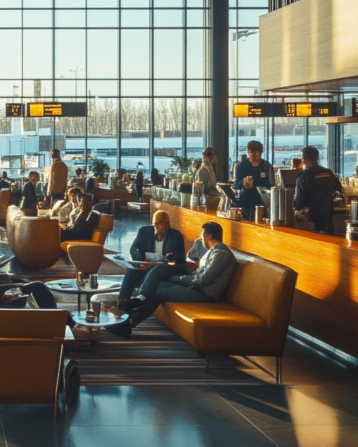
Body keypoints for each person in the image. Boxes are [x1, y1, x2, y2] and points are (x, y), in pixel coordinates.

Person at [107, 221, 237, 339]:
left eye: (202, 235)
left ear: (209, 236)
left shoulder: (221, 254)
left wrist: (178, 278)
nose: (201, 238)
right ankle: (136, 304)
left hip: (204, 293)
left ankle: (129, 323)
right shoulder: (214, 251)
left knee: (160, 294)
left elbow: (202, 280)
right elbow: (199, 273)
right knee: (158, 283)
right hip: (196, 287)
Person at [0, 229, 89, 336]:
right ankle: (63, 325)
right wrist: (3, 299)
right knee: (38, 287)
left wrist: (13, 287)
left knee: (34, 286)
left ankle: (60, 323)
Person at [117, 210, 187, 305]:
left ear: (169, 224)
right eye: (159, 223)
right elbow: (133, 249)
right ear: (154, 224)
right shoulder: (144, 232)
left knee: (156, 270)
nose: (162, 226)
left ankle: (139, 301)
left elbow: (179, 261)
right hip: (146, 265)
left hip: (165, 269)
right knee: (131, 271)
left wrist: (161, 262)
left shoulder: (175, 236)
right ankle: (123, 301)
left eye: (165, 223)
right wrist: (141, 260)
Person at [294, 146, 343, 234]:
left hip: (311, 219)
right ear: (317, 157)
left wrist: (292, 207)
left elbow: (299, 201)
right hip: (327, 217)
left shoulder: (303, 176)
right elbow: (339, 188)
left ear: (304, 159)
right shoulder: (329, 172)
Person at [233, 140, 273, 219]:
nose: (255, 155)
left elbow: (271, 185)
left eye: (258, 153)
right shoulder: (241, 166)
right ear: (248, 152)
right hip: (245, 204)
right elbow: (236, 185)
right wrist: (244, 183)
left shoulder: (266, 166)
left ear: (261, 153)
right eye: (252, 152)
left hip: (262, 204)